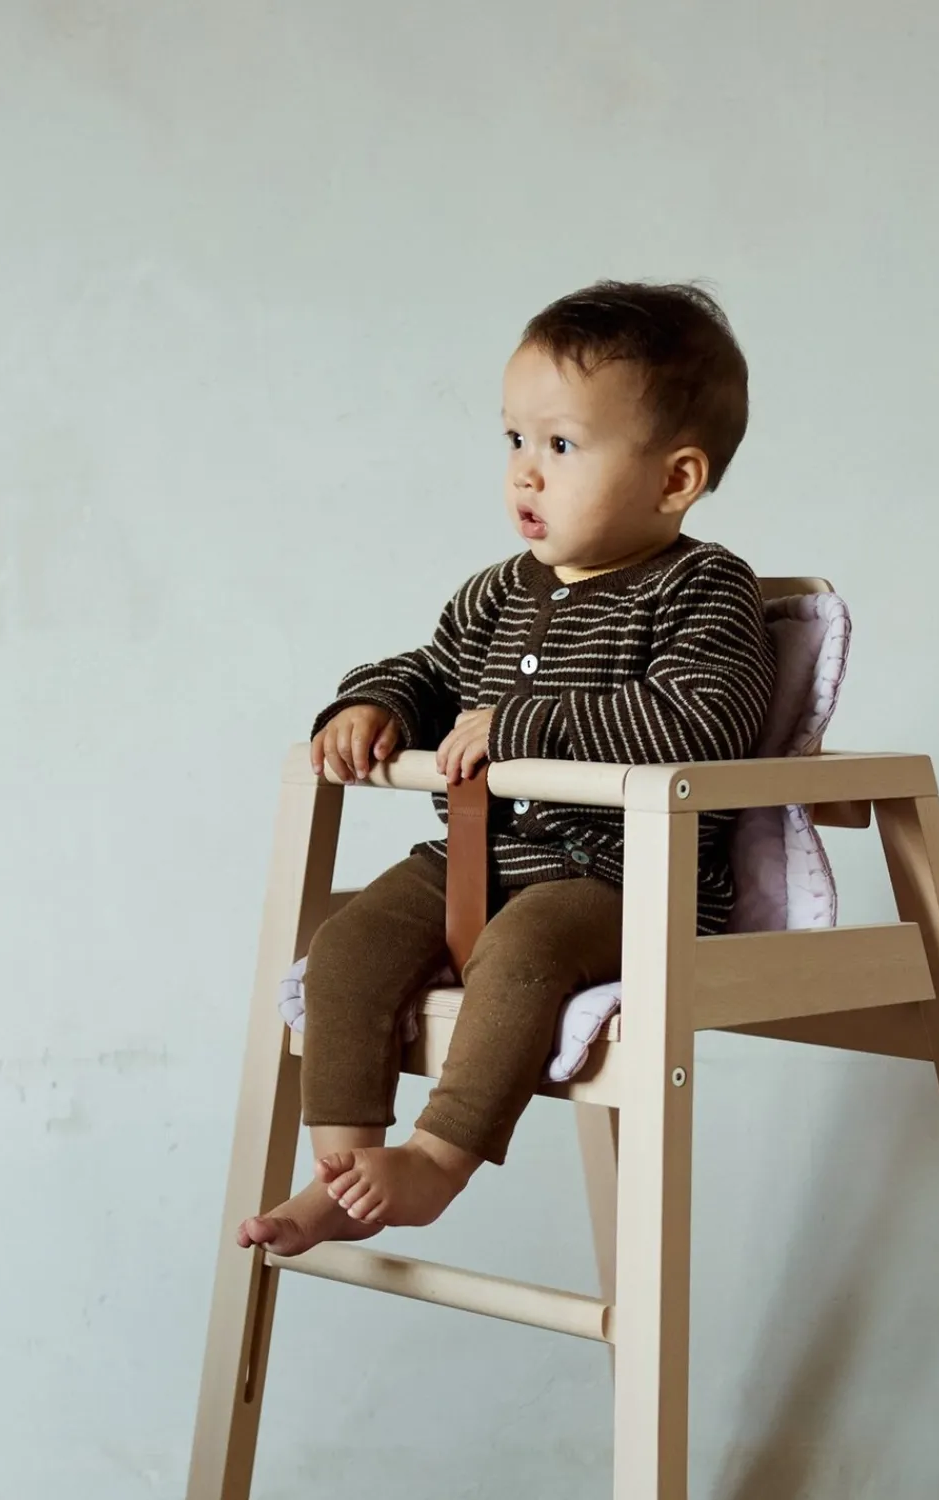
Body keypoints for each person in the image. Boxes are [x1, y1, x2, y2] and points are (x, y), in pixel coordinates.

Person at [239, 281, 774, 1257]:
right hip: (472, 865)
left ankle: (436, 1162)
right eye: (515, 440)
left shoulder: (701, 589)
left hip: (621, 881)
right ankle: (342, 1167)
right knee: (348, 944)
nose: (525, 471)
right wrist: (377, 705)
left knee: (524, 948)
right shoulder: (495, 593)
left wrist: (523, 726)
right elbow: (434, 673)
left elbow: (705, 720)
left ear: (675, 479)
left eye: (561, 445)